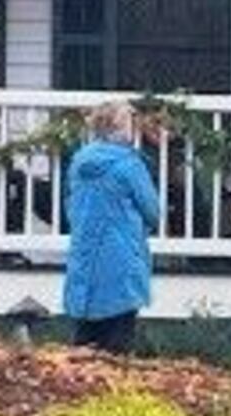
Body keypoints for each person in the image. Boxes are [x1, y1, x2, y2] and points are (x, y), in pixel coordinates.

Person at [61, 100, 162, 353]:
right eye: (129, 123)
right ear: (120, 128)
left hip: (84, 257)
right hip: (122, 259)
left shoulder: (78, 163)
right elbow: (152, 211)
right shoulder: (130, 165)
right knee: (117, 343)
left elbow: (70, 205)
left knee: (84, 342)